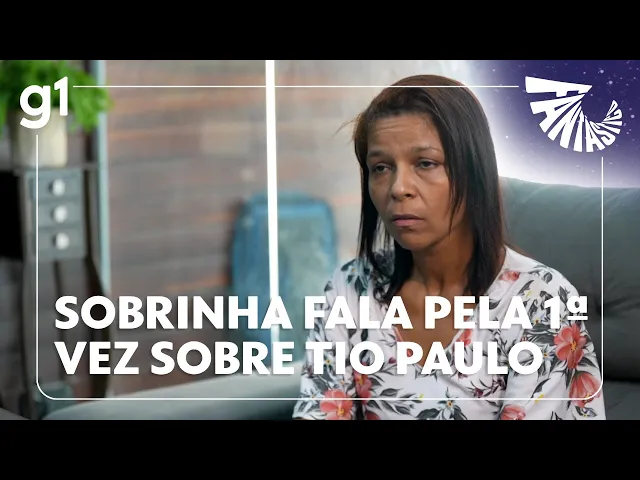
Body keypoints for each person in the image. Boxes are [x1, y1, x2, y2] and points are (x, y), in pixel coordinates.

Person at [292, 74, 605, 420]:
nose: (398, 188)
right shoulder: (351, 288)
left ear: (473, 173)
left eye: (425, 163)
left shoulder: (539, 301)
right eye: (381, 168)